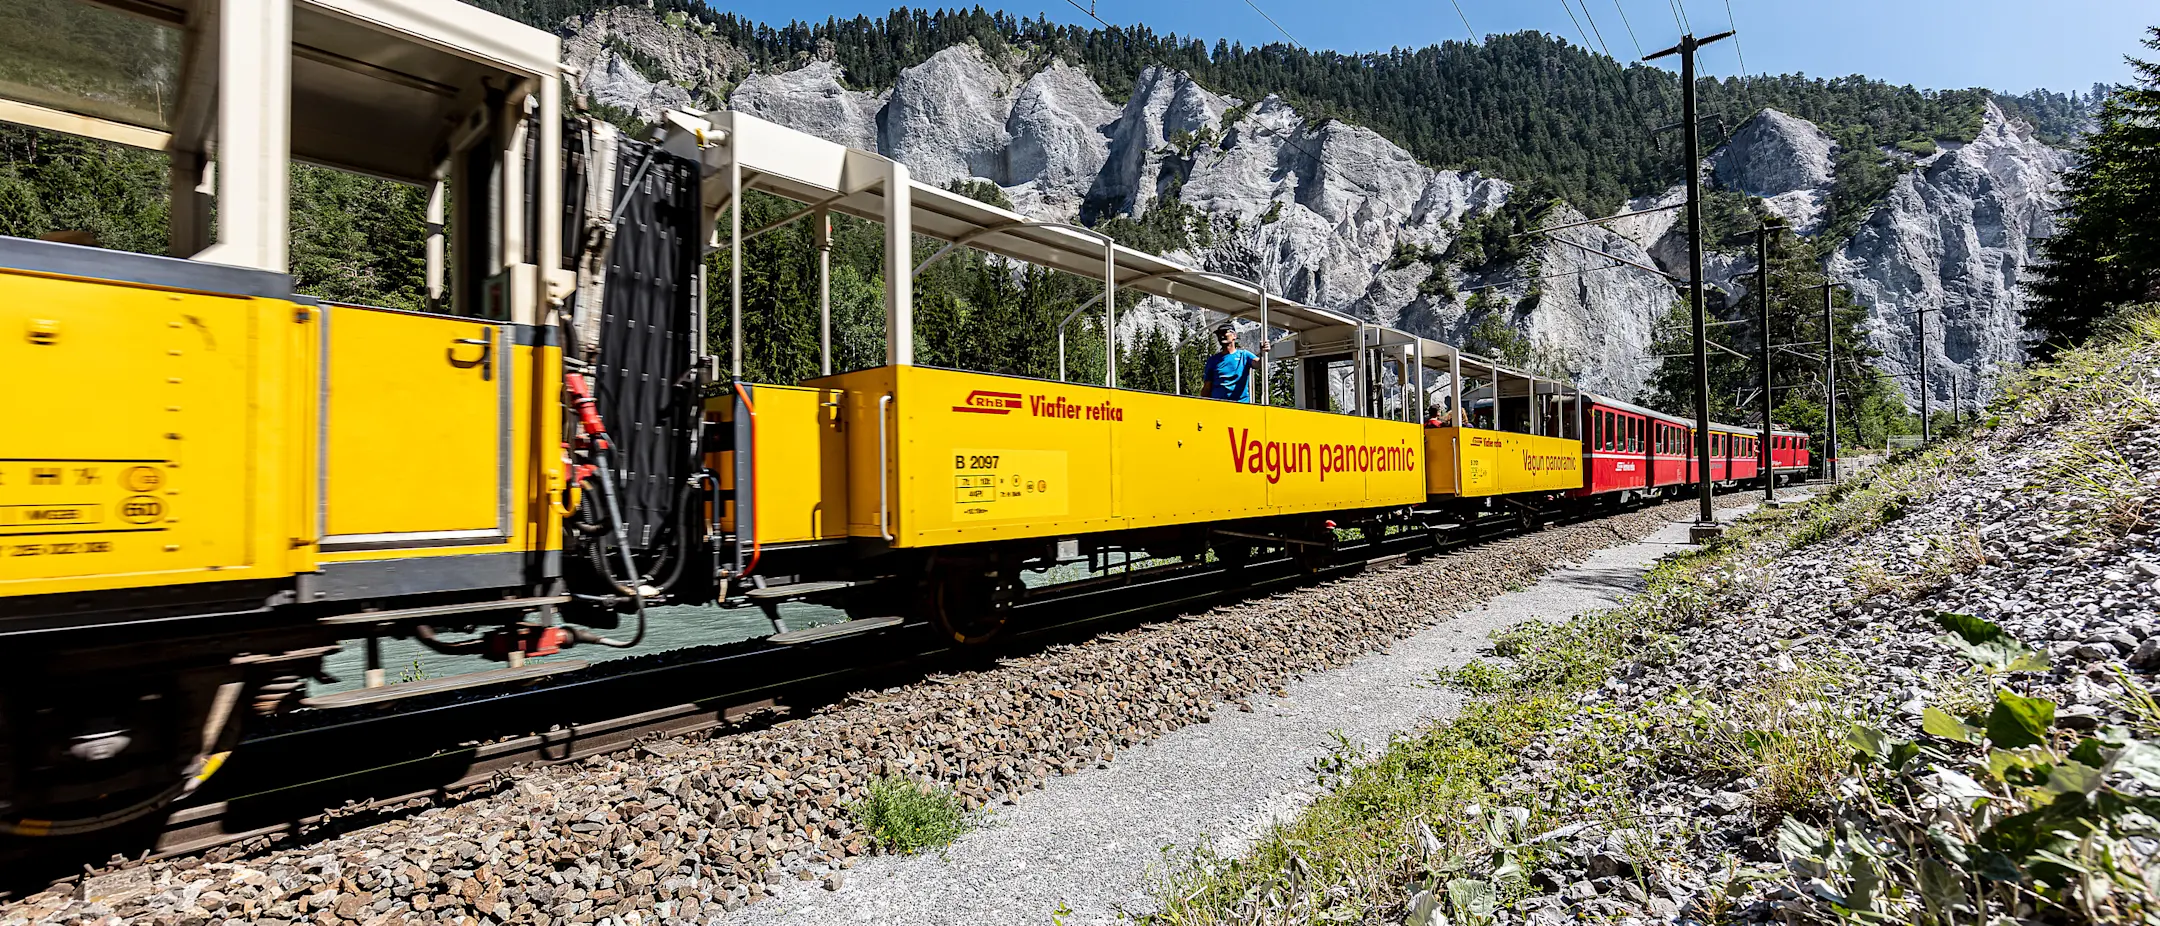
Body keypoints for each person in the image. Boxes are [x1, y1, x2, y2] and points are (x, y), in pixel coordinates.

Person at [1201, 324, 1262, 403]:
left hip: (1241, 406)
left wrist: (1263, 352)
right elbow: (1207, 387)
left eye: (1224, 332)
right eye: (1219, 334)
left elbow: (1259, 364)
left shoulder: (1244, 355)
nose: (1221, 336)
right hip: (1218, 406)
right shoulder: (1212, 360)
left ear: (1234, 336)